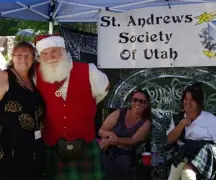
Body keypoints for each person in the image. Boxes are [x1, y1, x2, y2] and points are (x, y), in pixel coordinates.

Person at [34, 35, 109, 180]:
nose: (50, 57)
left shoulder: (88, 70)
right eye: (45, 54)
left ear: (63, 50)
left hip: (85, 141)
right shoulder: (36, 76)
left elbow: (101, 93)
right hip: (53, 143)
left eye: (54, 51)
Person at [0, 41, 46, 180]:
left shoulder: (33, 79)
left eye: (27, 55)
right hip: (9, 144)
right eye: (19, 55)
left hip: (32, 144)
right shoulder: (4, 76)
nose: (23, 59)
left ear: (34, 58)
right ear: (12, 57)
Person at [99, 89, 152, 180]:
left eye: (142, 101)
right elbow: (101, 130)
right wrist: (111, 134)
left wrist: (111, 141)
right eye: (135, 100)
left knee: (122, 162)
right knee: (101, 160)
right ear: (131, 101)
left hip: (127, 153)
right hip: (108, 149)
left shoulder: (146, 122)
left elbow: (133, 141)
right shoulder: (119, 113)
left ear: (146, 105)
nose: (137, 103)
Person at [167, 83, 216, 180]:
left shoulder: (210, 119)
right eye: (186, 99)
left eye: (192, 100)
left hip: (202, 157)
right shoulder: (178, 118)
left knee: (187, 156)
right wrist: (181, 124)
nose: (188, 102)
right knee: (186, 169)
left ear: (199, 102)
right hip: (182, 155)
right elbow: (169, 140)